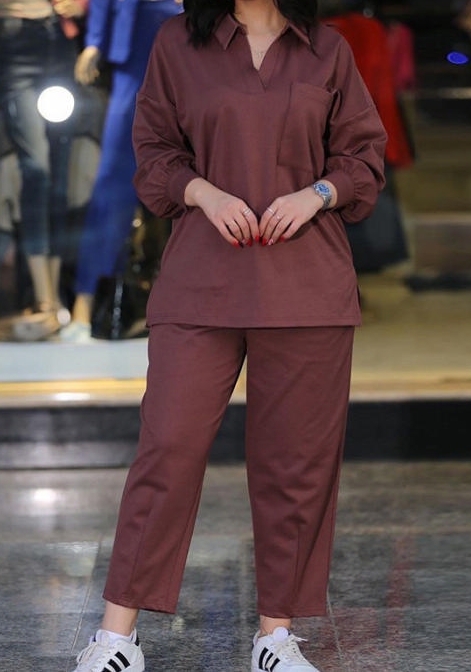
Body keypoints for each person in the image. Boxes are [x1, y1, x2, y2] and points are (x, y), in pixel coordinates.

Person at [72, 1, 386, 671]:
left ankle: (275, 636)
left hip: (306, 286)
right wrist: (202, 193)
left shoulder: (326, 49)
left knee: (295, 465)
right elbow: (153, 153)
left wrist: (317, 194)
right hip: (200, 281)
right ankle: (116, 638)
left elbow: (363, 158)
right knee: (167, 448)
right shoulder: (176, 43)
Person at [60, 0, 183, 342]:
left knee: (196, 177)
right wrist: (95, 40)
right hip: (136, 44)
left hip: (188, 39)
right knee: (112, 181)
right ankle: (85, 303)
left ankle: (199, 307)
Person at [0, 0, 87, 341]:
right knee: (36, 169)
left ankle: (55, 301)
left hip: (58, 40)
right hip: (13, 37)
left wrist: (81, 5)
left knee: (60, 178)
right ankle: (44, 298)